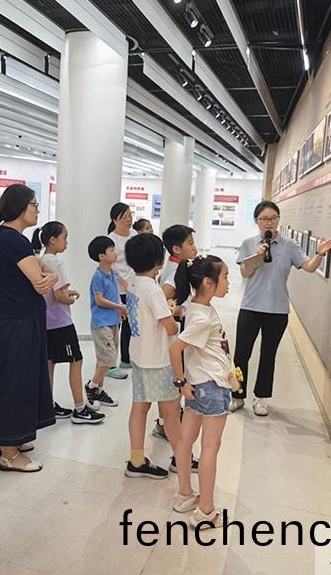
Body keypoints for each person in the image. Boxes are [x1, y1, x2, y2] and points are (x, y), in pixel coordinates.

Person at [232, 201, 331, 415]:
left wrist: (319, 254)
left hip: (277, 311)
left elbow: (308, 267)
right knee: (241, 353)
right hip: (250, 307)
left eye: (273, 218)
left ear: (278, 220)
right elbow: (245, 273)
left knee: (268, 356)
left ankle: (261, 398)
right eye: (264, 219)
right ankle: (237, 395)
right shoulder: (249, 243)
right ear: (257, 221)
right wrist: (257, 257)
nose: (269, 223)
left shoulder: (289, 245)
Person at [0, 184, 57, 472]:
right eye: (34, 205)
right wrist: (51, 275)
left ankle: (9, 439)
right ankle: (9, 453)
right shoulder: (13, 240)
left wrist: (48, 273)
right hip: (19, 322)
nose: (37, 210)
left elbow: (41, 273)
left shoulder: (11, 238)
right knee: (16, 382)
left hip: (18, 319)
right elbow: (41, 283)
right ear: (19, 207)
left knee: (16, 379)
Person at [168, 255, 232, 527]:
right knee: (209, 448)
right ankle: (206, 510)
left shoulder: (195, 306)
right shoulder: (201, 318)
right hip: (211, 386)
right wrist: (181, 382)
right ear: (208, 282)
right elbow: (175, 349)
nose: (228, 283)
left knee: (186, 441)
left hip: (199, 384)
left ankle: (185, 495)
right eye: (225, 277)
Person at [32, 222, 104, 424]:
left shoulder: (40, 260)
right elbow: (58, 294)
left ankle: (47, 405)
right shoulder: (55, 263)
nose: (67, 242)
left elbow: (51, 291)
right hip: (60, 322)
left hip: (46, 321)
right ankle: (80, 408)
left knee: (50, 362)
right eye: (64, 237)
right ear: (52, 240)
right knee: (76, 360)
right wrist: (70, 299)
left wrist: (66, 293)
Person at [123, 233, 181, 479]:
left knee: (140, 407)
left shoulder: (132, 282)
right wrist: (174, 312)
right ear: (159, 260)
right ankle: (182, 459)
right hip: (158, 361)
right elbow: (171, 328)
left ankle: (136, 460)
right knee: (171, 413)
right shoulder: (153, 290)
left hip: (139, 355)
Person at [153, 224, 198, 441]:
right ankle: (166, 422)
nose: (194, 247)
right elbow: (164, 297)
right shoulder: (174, 271)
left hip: (177, 330)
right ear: (176, 249)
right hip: (175, 332)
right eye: (190, 243)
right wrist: (176, 309)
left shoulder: (179, 265)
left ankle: (165, 421)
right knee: (173, 379)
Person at [85, 236, 125, 409]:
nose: (115, 252)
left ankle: (99, 392)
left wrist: (119, 309)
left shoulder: (113, 274)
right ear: (101, 256)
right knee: (108, 359)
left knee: (103, 359)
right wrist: (119, 306)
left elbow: (116, 293)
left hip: (113, 321)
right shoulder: (97, 277)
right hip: (101, 323)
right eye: (111, 250)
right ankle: (91, 386)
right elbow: (99, 300)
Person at [108, 202, 136, 375]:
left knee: (130, 325)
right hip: (117, 289)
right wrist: (123, 281)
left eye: (130, 215)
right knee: (114, 326)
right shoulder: (111, 239)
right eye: (124, 217)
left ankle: (126, 359)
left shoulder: (134, 235)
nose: (128, 219)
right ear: (115, 220)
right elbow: (110, 266)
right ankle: (109, 364)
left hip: (133, 286)